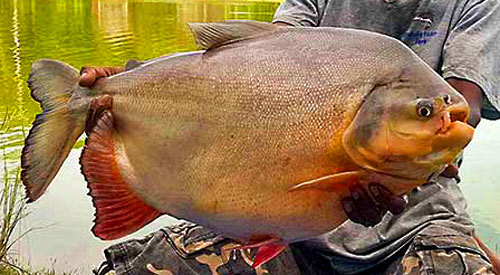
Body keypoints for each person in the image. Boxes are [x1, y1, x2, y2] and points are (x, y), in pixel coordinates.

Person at [87, 0, 500, 274]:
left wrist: (403, 160)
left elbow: (465, 105)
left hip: (419, 225)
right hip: (280, 217)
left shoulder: (475, 4)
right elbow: (264, 62)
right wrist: (136, 88)